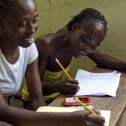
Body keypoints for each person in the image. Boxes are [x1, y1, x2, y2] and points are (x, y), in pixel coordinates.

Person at [0, 0, 105, 126]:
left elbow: (37, 100)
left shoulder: (28, 48)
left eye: (34, 20)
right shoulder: (45, 44)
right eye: (21, 23)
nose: (32, 29)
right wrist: (66, 119)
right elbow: (3, 111)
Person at [22, 8, 126, 107]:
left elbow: (100, 58)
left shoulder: (77, 40)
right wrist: (57, 86)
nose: (88, 49)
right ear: (75, 28)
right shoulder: (45, 45)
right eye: (86, 40)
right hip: (35, 102)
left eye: (95, 45)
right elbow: (34, 91)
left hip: (59, 96)